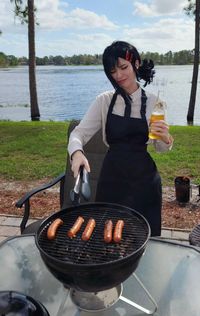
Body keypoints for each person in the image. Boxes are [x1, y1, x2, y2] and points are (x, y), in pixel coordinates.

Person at [68, 41, 173, 236]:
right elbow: (78, 134)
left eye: (123, 67)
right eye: (113, 71)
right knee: (106, 235)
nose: (118, 75)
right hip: (112, 179)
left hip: (145, 181)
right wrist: (76, 153)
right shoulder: (105, 101)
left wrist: (166, 138)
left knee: (145, 238)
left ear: (136, 64)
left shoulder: (154, 102)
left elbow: (160, 148)